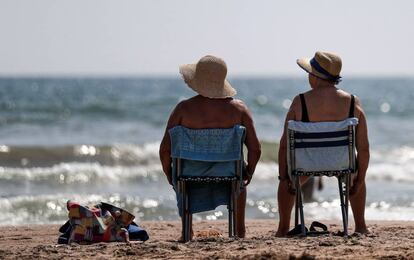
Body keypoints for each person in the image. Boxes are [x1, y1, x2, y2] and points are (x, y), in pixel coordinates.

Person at [159, 55, 261, 239]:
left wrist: (169, 173)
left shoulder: (183, 109)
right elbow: (255, 149)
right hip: (229, 172)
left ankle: (187, 230)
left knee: (180, 177)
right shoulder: (239, 109)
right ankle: (239, 231)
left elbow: (165, 150)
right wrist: (249, 172)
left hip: (188, 173)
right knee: (239, 181)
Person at [276, 51, 370, 236]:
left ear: (315, 76)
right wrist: (359, 180)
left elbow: (284, 145)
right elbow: (364, 148)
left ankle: (283, 228)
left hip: (306, 165)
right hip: (342, 164)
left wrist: (283, 177)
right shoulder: (352, 102)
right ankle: (360, 226)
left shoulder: (300, 101)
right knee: (354, 173)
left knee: (289, 179)